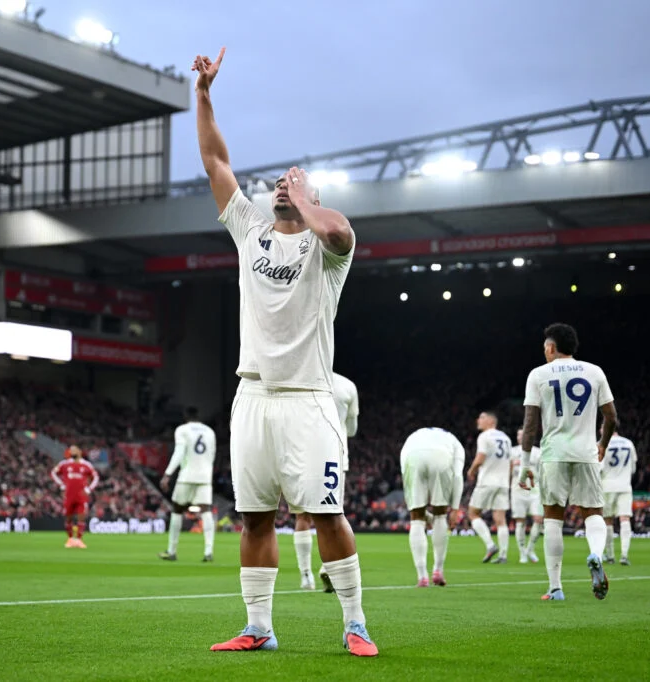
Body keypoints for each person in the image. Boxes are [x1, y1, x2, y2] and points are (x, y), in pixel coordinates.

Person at [193, 47, 377, 656]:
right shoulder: (250, 229)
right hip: (253, 395)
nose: (281, 187)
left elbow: (340, 230)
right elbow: (217, 160)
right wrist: (204, 94)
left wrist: (305, 199)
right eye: (279, 182)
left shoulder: (328, 252)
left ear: (311, 199)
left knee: (327, 514)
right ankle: (258, 627)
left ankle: (354, 624)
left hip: (308, 398)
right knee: (253, 518)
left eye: (294, 185)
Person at [517, 323, 618, 601]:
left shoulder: (538, 374)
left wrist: (525, 464)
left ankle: (555, 587)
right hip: (586, 453)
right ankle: (595, 555)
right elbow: (611, 417)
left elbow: (530, 424)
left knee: (552, 519)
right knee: (593, 513)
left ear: (550, 347)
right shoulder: (594, 371)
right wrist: (602, 445)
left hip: (553, 454)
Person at [296, 372, 359, 592]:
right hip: (335, 454)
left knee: (302, 516)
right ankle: (328, 566)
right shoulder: (348, 385)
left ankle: (306, 576)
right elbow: (352, 429)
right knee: (333, 514)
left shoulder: (303, 379)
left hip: (304, 453)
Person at [400, 427, 465, 587]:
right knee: (440, 515)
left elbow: (404, 470)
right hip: (441, 457)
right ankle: (438, 570)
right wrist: (455, 508)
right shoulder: (454, 441)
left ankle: (422, 576)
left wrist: (418, 509)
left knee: (416, 518)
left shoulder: (413, 436)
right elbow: (457, 475)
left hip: (412, 456)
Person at [159, 407, 217, 562]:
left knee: (177, 510)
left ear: (185, 416)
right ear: (198, 416)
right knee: (206, 510)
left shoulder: (182, 430)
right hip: (205, 476)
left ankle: (171, 551)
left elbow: (179, 453)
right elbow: (212, 455)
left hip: (187, 475)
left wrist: (167, 474)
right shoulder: (210, 431)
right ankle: (208, 551)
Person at [466, 412, 513, 563]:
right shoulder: (506, 438)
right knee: (500, 519)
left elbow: (480, 458)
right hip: (503, 483)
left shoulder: (485, 436)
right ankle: (503, 555)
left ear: (491, 421)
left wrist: (471, 470)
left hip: (487, 481)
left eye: (481, 417)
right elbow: (510, 463)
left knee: (473, 513)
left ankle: (490, 545)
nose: (478, 420)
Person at [600, 429, 637, 565]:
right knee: (625, 518)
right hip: (625, 485)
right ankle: (624, 555)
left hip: (607, 486)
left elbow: (599, 468)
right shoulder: (629, 443)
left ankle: (610, 555)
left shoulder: (602, 443)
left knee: (607, 521)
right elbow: (633, 468)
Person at [51, 445, 99, 549]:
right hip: (69, 496)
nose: (72, 451)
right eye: (71, 450)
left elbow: (95, 477)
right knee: (68, 518)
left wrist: (88, 489)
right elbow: (53, 473)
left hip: (81, 496)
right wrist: (62, 485)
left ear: (80, 452)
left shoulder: (87, 465)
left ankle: (79, 539)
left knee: (81, 517)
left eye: (74, 449)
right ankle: (70, 539)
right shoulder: (64, 464)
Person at [510, 428, 543, 563]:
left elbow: (542, 472)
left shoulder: (538, 452)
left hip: (534, 489)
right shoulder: (512, 452)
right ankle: (522, 553)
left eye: (522, 434)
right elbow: (507, 471)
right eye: (518, 434)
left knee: (538, 519)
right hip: (517, 490)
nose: (519, 437)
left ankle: (530, 548)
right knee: (520, 521)